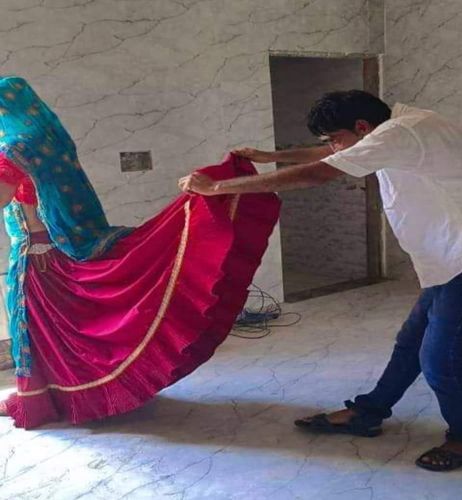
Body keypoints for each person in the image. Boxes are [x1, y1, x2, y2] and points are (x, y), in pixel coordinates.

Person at [179, 89, 462, 472]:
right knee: (411, 343)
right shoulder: (396, 128)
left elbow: (320, 171)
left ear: (362, 126)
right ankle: (368, 412)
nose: (333, 146)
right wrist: (269, 157)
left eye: (335, 137)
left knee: (441, 357)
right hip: (454, 257)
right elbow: (333, 154)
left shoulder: (403, 131)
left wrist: (216, 188)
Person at [0, 76, 280, 429]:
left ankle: (52, 400)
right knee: (69, 336)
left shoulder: (14, 148)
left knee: (47, 336)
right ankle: (79, 395)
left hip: (40, 259)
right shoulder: (48, 140)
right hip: (59, 250)